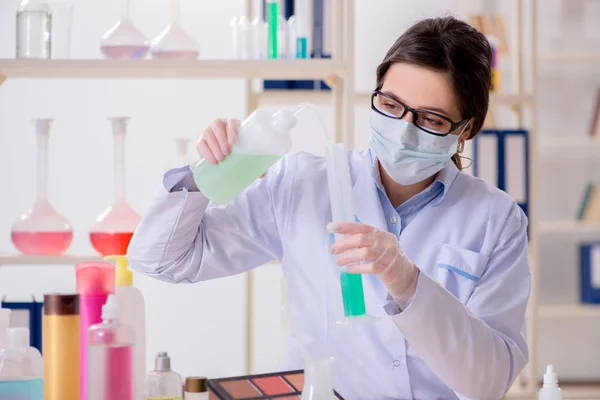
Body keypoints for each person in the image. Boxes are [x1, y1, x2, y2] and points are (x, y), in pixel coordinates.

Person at [128, 16, 530, 400]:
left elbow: (488, 383)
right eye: (391, 105)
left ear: (465, 131)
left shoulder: (496, 219)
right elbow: (159, 260)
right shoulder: (300, 184)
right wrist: (203, 176)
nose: (404, 128)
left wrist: (409, 283)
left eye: (431, 119)